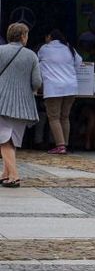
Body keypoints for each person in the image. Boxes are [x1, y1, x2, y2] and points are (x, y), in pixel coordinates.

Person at [0, 23, 43, 187]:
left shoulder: (0, 51)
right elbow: (37, 81)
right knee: (12, 141)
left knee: (4, 140)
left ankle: (14, 176)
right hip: (23, 104)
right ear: (23, 36)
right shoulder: (31, 55)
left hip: (2, 101)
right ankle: (5, 174)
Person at [38, 29, 84, 154]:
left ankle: (60, 145)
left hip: (53, 87)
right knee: (65, 116)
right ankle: (65, 144)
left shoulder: (44, 49)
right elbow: (79, 62)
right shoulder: (69, 48)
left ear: (49, 37)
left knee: (54, 117)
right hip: (70, 87)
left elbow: (37, 62)